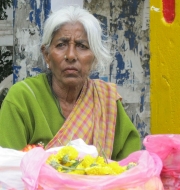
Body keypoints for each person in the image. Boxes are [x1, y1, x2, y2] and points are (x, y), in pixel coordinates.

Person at [0, 6, 141, 161]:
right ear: (47, 55)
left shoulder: (106, 101)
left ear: (93, 58)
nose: (71, 55)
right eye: (61, 44)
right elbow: (9, 171)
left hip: (102, 186)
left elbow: (131, 167)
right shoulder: (23, 99)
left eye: (82, 46)